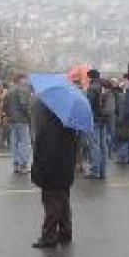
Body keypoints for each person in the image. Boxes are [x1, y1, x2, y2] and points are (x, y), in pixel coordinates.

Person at [30, 98, 80, 248]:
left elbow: (45, 150)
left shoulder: (48, 125)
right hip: (65, 166)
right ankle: (65, 232)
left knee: (51, 202)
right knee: (63, 199)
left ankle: (49, 236)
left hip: (52, 168)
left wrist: (39, 168)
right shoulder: (70, 121)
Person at [5, 74, 32, 174]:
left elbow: (5, 105)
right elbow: (24, 106)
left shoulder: (9, 91)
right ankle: (23, 164)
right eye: (24, 79)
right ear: (20, 80)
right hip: (22, 120)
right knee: (24, 143)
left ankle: (16, 164)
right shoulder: (22, 90)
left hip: (12, 120)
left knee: (15, 142)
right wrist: (29, 117)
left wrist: (9, 115)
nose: (25, 81)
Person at [85, 69, 106, 179]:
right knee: (103, 146)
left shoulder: (92, 88)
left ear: (90, 77)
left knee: (94, 146)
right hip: (103, 119)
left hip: (94, 119)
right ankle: (102, 171)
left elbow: (89, 106)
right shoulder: (103, 87)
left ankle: (95, 171)